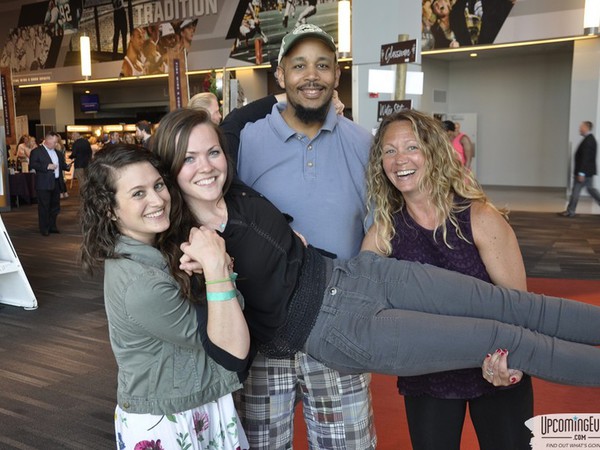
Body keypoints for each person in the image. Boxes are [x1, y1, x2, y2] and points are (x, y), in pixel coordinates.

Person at [152, 107, 600, 391]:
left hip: (360, 274)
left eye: (212, 152)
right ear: (169, 168)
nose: (205, 166)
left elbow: (242, 120)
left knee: (515, 306)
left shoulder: (236, 193)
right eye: (188, 158)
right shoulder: (191, 248)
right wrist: (217, 270)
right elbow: (230, 355)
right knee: (504, 339)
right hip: (339, 328)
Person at [224, 24, 376, 449]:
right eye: (299, 65)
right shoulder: (245, 143)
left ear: (337, 76)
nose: (312, 76)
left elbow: (381, 225)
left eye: (323, 66)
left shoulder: (363, 143)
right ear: (280, 75)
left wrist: (360, 299)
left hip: (337, 331)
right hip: (263, 334)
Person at [363, 110, 532, 450]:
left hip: (494, 365)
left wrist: (507, 359)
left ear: (434, 152)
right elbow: (364, 305)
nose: (400, 160)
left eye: (411, 147)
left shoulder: (479, 218)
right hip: (429, 372)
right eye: (389, 151)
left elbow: (519, 307)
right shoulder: (385, 232)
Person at [79, 144, 250, 450]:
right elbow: (229, 344)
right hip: (168, 420)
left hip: (192, 402)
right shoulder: (141, 284)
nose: (158, 200)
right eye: (138, 193)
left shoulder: (158, 249)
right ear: (109, 209)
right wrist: (216, 265)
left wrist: (215, 269)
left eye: (158, 185)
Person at [29, 131, 70, 236]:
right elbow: (32, 164)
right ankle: (44, 228)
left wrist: (67, 166)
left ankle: (53, 226)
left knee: (55, 207)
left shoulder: (58, 153)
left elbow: (62, 165)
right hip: (43, 184)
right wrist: (47, 166)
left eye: (56, 142)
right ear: (47, 140)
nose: (56, 144)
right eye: (54, 142)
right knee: (44, 207)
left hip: (56, 183)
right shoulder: (36, 152)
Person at [559, 121, 599, 218]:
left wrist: (581, 173)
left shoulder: (588, 140)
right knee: (591, 190)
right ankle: (570, 210)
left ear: (587, 127)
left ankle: (570, 211)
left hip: (584, 172)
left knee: (576, 191)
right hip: (587, 172)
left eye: (582, 127)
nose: (580, 129)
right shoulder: (590, 139)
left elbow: (586, 158)